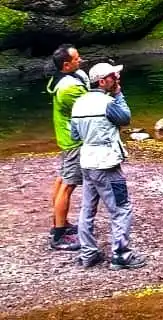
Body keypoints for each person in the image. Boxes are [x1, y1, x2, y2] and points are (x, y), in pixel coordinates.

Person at [70, 63, 146, 270]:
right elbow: (126, 118)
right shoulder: (108, 103)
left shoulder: (78, 104)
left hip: (86, 162)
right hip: (107, 164)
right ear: (102, 82)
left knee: (87, 209)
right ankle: (121, 255)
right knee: (121, 209)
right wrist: (119, 94)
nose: (117, 79)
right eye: (114, 76)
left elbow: (74, 136)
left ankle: (88, 253)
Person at [46, 45, 89, 251]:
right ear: (66, 64)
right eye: (76, 58)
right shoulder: (69, 88)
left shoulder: (61, 79)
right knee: (68, 184)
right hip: (73, 141)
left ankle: (58, 222)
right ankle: (58, 235)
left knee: (62, 179)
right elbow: (88, 107)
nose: (80, 60)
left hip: (65, 138)